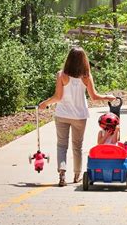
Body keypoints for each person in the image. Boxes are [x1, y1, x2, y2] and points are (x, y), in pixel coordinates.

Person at [39, 47, 117, 187]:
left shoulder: (61, 75)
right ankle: (77, 175)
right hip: (79, 116)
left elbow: (58, 97)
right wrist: (108, 97)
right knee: (77, 146)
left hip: (62, 114)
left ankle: (62, 172)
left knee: (62, 145)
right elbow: (94, 97)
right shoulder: (86, 76)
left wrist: (45, 103)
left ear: (68, 59)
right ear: (83, 60)